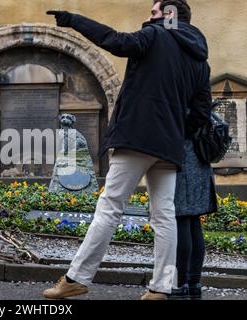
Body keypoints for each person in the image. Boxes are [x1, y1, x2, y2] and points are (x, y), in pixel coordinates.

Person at [44, 0, 211, 300]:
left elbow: (116, 42)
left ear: (170, 15)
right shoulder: (199, 59)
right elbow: (200, 112)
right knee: (165, 216)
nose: (149, 18)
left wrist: (73, 20)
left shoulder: (156, 35)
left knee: (110, 207)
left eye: (154, 12)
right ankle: (160, 287)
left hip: (138, 137)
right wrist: (172, 129)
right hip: (169, 146)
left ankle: (76, 278)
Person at [168, 105, 218, 300]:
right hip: (199, 162)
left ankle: (180, 284)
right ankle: (194, 283)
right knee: (193, 222)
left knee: (182, 219)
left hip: (184, 161)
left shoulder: (184, 93)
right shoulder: (200, 91)